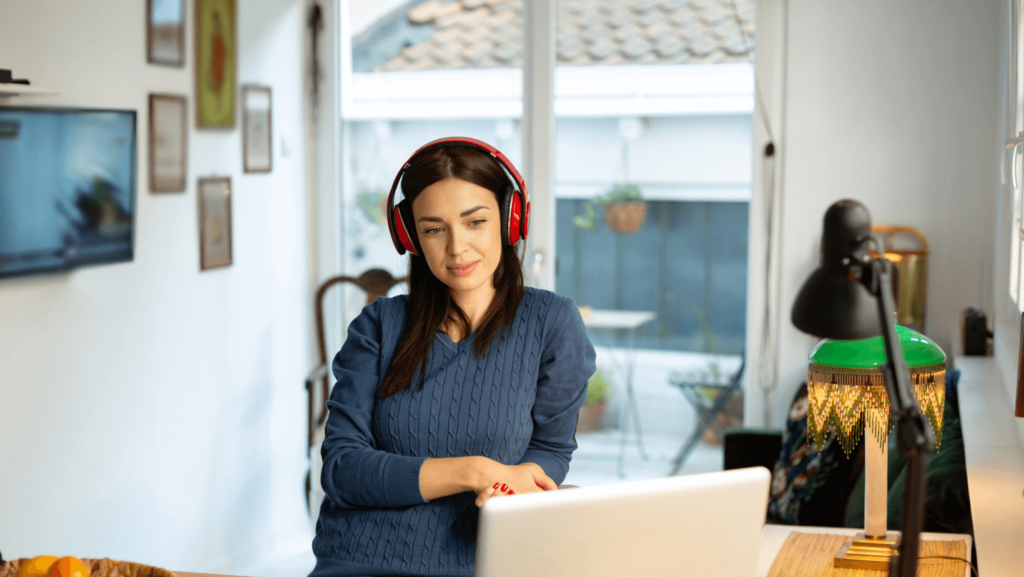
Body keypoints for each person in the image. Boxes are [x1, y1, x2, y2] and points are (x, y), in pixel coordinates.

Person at [309, 138, 596, 577]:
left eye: (475, 222)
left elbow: (551, 450)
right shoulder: (378, 326)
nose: (457, 248)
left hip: (487, 563)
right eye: (434, 229)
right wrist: (474, 472)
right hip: (359, 562)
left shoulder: (552, 323)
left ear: (508, 220)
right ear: (412, 238)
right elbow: (343, 470)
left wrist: (519, 484)